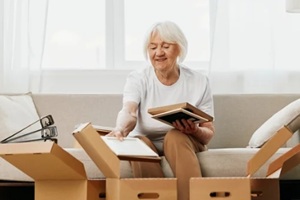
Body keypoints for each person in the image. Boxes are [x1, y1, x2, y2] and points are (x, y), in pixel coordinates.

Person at [107, 21, 215, 200]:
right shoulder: (138, 78)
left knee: (175, 136)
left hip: (185, 141)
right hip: (146, 142)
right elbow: (129, 111)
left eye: (166, 46)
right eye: (153, 47)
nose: (158, 53)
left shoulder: (199, 80)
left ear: (179, 49)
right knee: (137, 143)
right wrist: (120, 129)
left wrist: (194, 130)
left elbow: (209, 133)